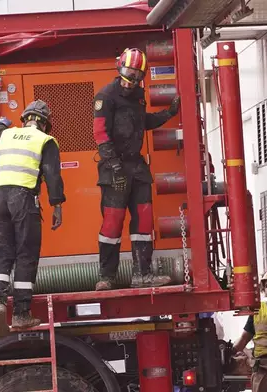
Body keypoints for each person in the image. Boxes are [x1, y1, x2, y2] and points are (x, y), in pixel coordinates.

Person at [92, 47, 181, 291]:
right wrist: (114, 166)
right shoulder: (105, 96)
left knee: (143, 220)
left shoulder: (138, 96)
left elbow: (143, 122)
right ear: (119, 68)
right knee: (112, 223)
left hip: (137, 167)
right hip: (114, 168)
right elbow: (100, 134)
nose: (131, 80)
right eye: (129, 73)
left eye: (137, 76)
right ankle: (106, 277)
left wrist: (169, 113)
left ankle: (143, 274)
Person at [0, 100, 65, 334]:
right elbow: (52, 175)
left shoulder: (7, 135)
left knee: (1, 251)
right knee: (26, 252)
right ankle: (21, 313)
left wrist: (1, 122)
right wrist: (57, 205)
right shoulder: (45, 141)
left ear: (25, 119)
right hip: (23, 198)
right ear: (45, 124)